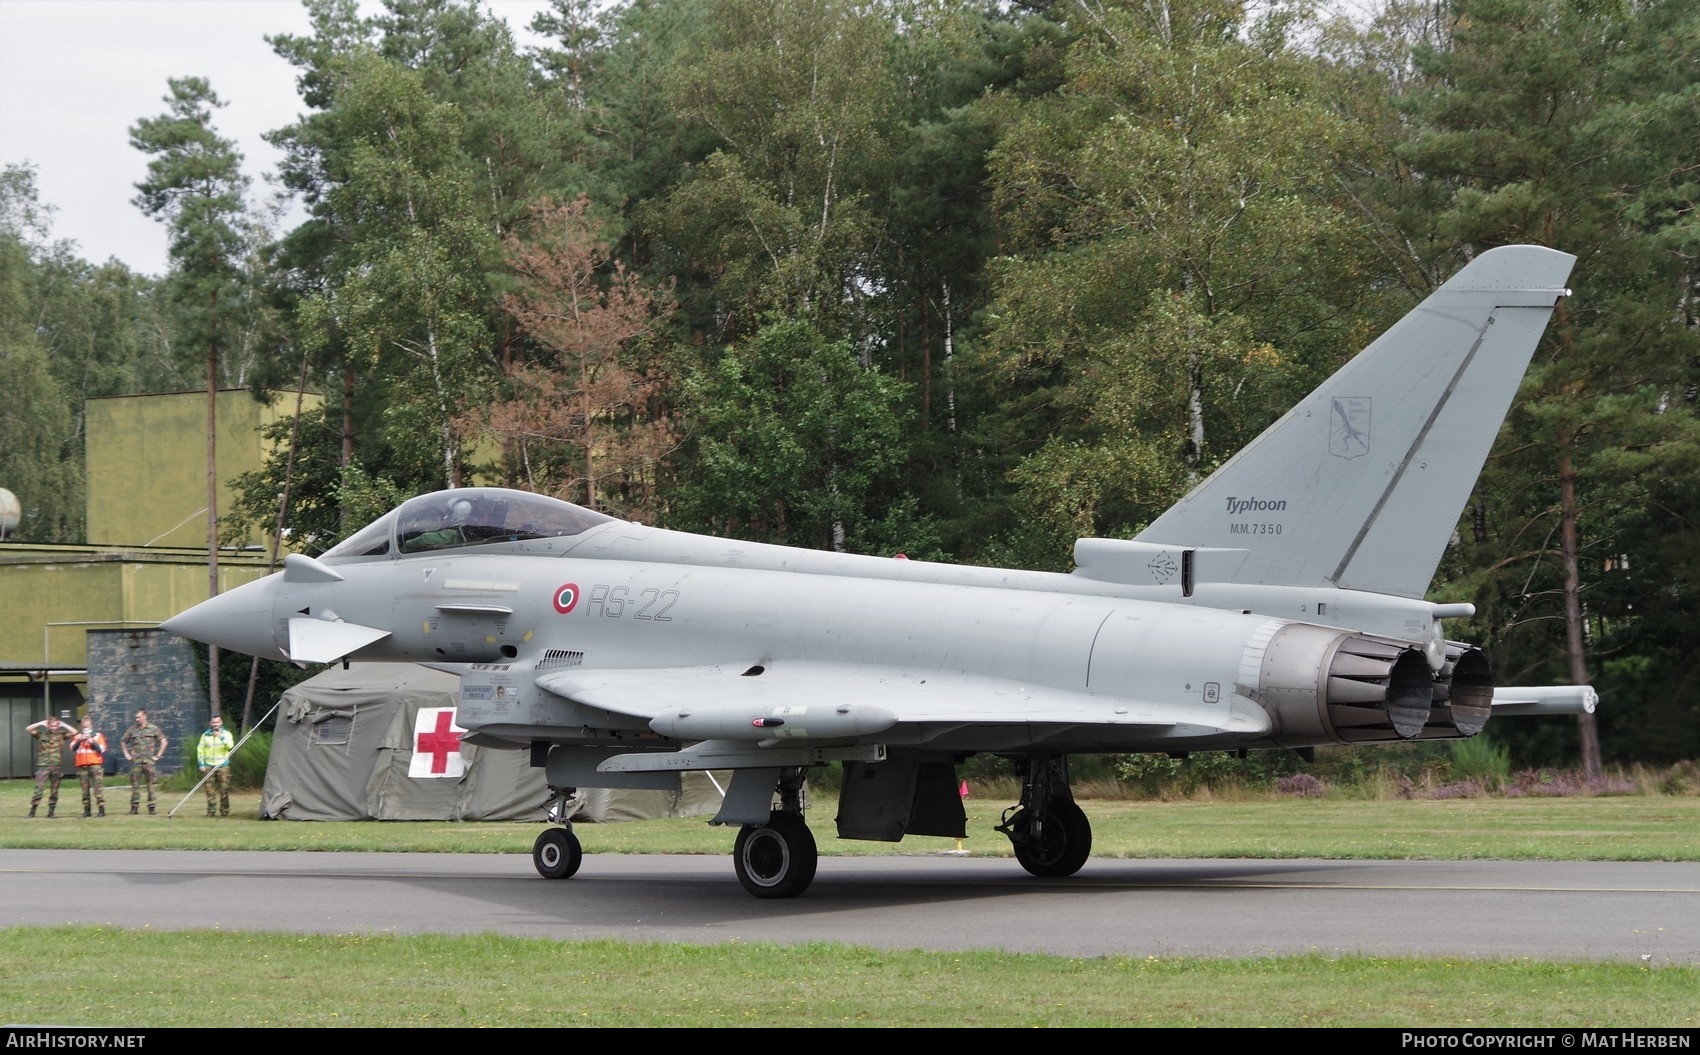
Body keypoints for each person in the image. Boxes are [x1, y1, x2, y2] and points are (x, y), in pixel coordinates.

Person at [25, 715, 78, 817]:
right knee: (39, 788)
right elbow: (28, 729)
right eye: (51, 726)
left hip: (56, 766)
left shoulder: (61, 735)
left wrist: (64, 724)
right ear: (48, 725)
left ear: (57, 726)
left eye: (55, 726)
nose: (53, 728)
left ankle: (51, 812)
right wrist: (40, 723)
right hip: (43, 765)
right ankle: (32, 811)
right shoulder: (41, 734)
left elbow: (75, 732)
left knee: (54, 790)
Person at [121, 709, 168, 815]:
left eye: (139, 717)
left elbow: (164, 741)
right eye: (136, 717)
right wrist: (127, 754)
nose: (137, 719)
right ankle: (134, 808)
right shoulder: (132, 730)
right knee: (135, 784)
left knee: (151, 784)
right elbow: (123, 741)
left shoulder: (153, 728)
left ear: (145, 716)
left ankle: (151, 807)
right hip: (136, 761)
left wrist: (158, 755)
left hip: (149, 761)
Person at [197, 714, 236, 817]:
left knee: (224, 789)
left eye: (217, 722)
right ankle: (211, 811)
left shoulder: (227, 734)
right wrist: (201, 763)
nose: (215, 724)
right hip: (208, 765)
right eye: (214, 722)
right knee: (209, 790)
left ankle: (224, 811)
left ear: (221, 722)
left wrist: (221, 737)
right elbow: (200, 750)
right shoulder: (205, 735)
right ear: (211, 723)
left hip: (222, 765)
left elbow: (230, 746)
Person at [71, 715, 108, 818]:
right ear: (82, 726)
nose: (86, 728)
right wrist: (80, 740)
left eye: (87, 726)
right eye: (84, 726)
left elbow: (101, 749)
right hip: (83, 766)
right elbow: (73, 748)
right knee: (84, 789)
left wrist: (92, 742)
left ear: (91, 725)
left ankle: (101, 810)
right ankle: (87, 810)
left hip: (95, 765)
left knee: (98, 788)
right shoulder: (78, 736)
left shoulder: (97, 735)